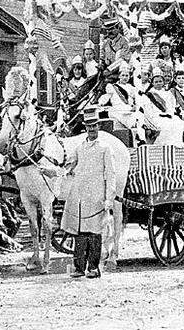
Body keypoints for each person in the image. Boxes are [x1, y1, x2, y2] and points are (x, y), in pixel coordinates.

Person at [61, 106, 117, 279]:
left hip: (97, 197)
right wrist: (55, 170)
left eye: (95, 126)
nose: (92, 129)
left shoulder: (105, 148)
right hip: (80, 197)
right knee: (80, 233)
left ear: (99, 126)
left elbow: (111, 174)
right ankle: (78, 268)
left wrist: (109, 198)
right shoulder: (80, 147)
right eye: (89, 126)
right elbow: (68, 165)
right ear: (85, 127)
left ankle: (93, 267)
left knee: (94, 233)